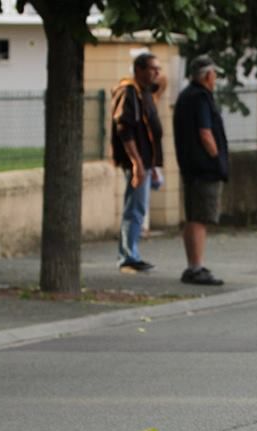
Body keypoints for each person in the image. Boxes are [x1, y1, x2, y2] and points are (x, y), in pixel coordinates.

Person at [173, 55, 227, 286]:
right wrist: (216, 158)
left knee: (194, 215)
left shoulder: (186, 96)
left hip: (191, 166)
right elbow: (205, 133)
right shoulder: (201, 98)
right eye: (214, 74)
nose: (215, 79)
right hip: (203, 167)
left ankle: (194, 265)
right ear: (207, 75)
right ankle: (195, 267)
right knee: (200, 217)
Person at [111, 52, 164, 273]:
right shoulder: (130, 93)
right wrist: (137, 164)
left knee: (138, 207)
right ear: (139, 70)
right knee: (134, 208)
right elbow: (125, 129)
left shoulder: (145, 93)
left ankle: (132, 252)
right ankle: (127, 256)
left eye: (158, 69)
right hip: (139, 162)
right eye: (152, 69)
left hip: (147, 162)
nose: (157, 73)